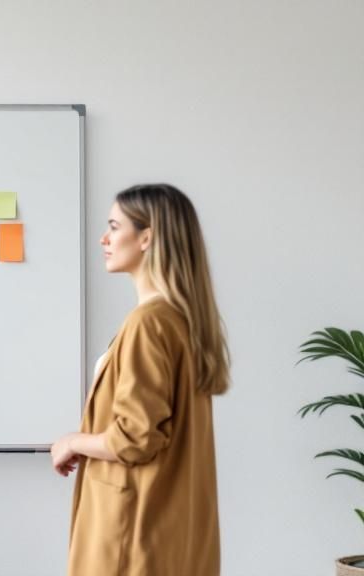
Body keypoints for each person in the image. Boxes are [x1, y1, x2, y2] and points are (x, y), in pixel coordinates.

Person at [51, 184, 228, 576]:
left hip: (131, 532)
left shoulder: (149, 323)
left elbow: (135, 437)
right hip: (170, 528)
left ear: (146, 237)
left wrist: (72, 441)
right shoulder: (182, 320)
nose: (104, 238)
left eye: (114, 226)